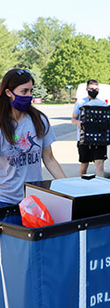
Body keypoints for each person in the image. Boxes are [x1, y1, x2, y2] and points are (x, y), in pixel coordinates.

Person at [0, 68, 67, 207]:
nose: (29, 95)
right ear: (8, 93)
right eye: (24, 91)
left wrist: (68, 188)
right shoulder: (2, 125)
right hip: (5, 201)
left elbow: (49, 159)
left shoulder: (40, 120)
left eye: (31, 91)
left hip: (34, 200)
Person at [71, 79, 108, 177]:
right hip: (84, 138)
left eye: (96, 88)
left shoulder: (102, 104)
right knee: (84, 165)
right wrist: (78, 122)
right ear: (87, 89)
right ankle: (82, 186)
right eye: (91, 88)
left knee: (99, 164)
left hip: (99, 138)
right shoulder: (80, 103)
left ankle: (101, 188)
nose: (94, 90)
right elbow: (73, 119)